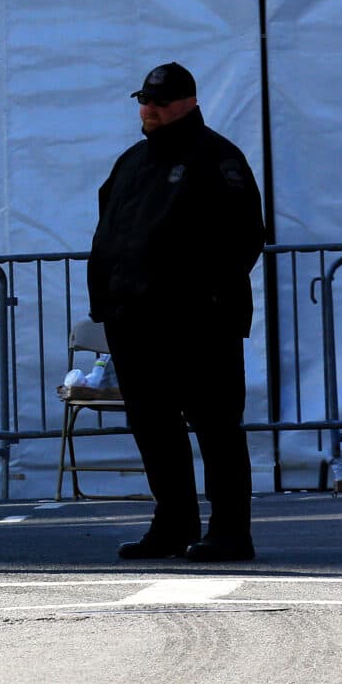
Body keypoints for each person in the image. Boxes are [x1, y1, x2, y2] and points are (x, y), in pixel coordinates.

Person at [89, 62, 263, 562]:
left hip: (198, 323)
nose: (149, 110)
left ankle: (230, 531)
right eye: (144, 100)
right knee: (154, 427)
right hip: (135, 322)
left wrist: (206, 297)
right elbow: (110, 232)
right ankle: (173, 524)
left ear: (188, 102)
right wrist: (108, 302)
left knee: (215, 425)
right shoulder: (131, 162)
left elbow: (244, 235)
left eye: (159, 102)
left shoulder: (217, 157)